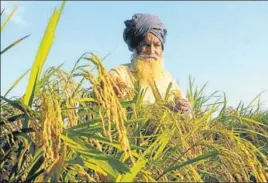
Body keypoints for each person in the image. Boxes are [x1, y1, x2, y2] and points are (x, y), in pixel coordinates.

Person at [109, 13, 192, 115]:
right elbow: (102, 94)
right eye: (146, 45)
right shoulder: (121, 73)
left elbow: (184, 106)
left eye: (157, 45)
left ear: (161, 49)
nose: (151, 51)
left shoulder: (167, 78)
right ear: (136, 48)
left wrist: (184, 108)